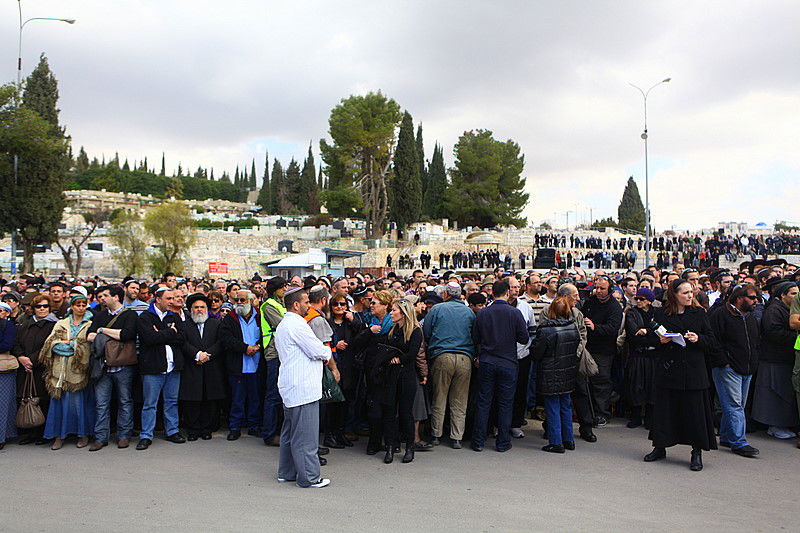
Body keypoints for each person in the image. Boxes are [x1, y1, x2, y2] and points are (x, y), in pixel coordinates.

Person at [645, 280, 718, 472]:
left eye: (691, 292)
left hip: (693, 370)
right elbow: (650, 338)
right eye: (685, 293)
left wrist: (698, 338)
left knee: (694, 412)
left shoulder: (699, 313)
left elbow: (711, 339)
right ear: (674, 295)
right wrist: (660, 339)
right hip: (669, 369)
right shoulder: (661, 313)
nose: (689, 296)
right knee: (665, 410)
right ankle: (660, 446)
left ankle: (696, 452)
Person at [275, 288, 332, 488]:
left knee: (290, 433)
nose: (309, 305)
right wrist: (327, 351)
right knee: (305, 436)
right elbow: (317, 350)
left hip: (293, 386)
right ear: (296, 305)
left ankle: (287, 472)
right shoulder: (297, 325)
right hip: (302, 388)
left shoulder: (286, 324)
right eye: (306, 302)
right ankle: (308, 477)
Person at [471, 280, 529, 452]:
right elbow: (524, 338)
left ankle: (478, 441)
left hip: (487, 361)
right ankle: (503, 442)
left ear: (492, 294)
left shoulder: (483, 313)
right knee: (505, 403)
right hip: (508, 362)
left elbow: (475, 338)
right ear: (506, 293)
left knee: (483, 402)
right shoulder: (515, 313)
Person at [709, 283, 761, 458]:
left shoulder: (750, 317)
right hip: (728, 368)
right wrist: (724, 362)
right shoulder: (720, 315)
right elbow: (714, 341)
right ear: (739, 298)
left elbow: (755, 341)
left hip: (747, 367)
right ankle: (739, 442)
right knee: (734, 405)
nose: (756, 301)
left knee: (735, 405)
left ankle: (726, 436)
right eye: (752, 298)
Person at [424, 282, 475, 449]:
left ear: (446, 294)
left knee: (439, 396)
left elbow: (427, 332)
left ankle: (436, 434)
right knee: (460, 399)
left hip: (442, 356)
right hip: (464, 358)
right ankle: (456, 437)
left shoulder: (437, 309)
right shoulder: (468, 312)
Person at [40, 294, 95, 450]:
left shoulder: (89, 323)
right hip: (59, 370)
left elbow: (88, 346)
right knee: (59, 403)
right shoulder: (61, 323)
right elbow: (51, 344)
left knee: (79, 404)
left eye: (84, 305)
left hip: (78, 371)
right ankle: (59, 435)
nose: (81, 308)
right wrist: (72, 346)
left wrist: (71, 344)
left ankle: (82, 434)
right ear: (72, 306)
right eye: (78, 304)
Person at [86, 285, 138, 451]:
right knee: (101, 403)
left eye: (105, 295)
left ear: (116, 297)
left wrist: (103, 331)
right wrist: (110, 333)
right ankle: (101, 437)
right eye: (100, 296)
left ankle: (124, 435)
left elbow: (127, 335)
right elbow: (90, 336)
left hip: (123, 365)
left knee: (125, 401)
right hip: (103, 366)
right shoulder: (100, 315)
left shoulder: (130, 314)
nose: (102, 299)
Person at [136, 287, 185, 451]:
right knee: (150, 403)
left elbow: (182, 338)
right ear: (158, 299)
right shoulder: (145, 317)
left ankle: (172, 431)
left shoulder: (174, 316)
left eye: (173, 298)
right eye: (168, 298)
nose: (172, 301)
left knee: (172, 401)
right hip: (152, 367)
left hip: (173, 367)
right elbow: (149, 339)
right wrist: (170, 332)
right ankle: (146, 435)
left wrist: (163, 334)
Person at [531, 295, 580, 453]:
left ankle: (556, 442)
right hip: (568, 371)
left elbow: (537, 353)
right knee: (565, 405)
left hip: (550, 372)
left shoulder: (545, 329)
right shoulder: (573, 326)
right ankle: (569, 439)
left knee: (552, 407)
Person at [379, 298, 423, 464]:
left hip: (406, 376)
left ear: (404, 313)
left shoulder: (415, 331)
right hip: (391, 376)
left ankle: (409, 447)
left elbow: (412, 354)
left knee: (406, 413)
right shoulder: (392, 329)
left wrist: (399, 359)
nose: (391, 312)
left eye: (394, 310)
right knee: (389, 412)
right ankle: (390, 447)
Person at [753, 281, 799, 439]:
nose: (796, 296)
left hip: (784, 358)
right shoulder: (774, 310)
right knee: (775, 393)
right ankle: (775, 425)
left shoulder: (788, 309)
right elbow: (774, 332)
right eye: (793, 293)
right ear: (782, 295)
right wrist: (796, 337)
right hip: (774, 358)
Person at [179, 293, 225, 441]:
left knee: (209, 399)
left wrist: (207, 354)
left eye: (202, 307)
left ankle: (206, 429)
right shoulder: (184, 325)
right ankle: (192, 429)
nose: (199, 310)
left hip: (211, 367)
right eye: (196, 307)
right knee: (192, 400)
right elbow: (182, 343)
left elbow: (220, 342)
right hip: (192, 366)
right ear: (191, 309)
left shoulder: (216, 324)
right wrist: (197, 354)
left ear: (207, 309)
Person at [13, 294, 57, 445]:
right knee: (24, 398)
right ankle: (27, 433)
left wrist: (31, 361)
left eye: (45, 306)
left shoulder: (53, 325)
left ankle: (42, 434)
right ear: (33, 309)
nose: (42, 309)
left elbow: (48, 346)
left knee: (41, 400)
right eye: (39, 306)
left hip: (41, 368)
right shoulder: (25, 324)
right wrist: (21, 358)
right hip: (24, 367)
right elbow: (16, 343)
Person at [220, 289, 263, 440]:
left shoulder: (260, 316)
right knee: (237, 399)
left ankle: (254, 426)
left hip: (256, 365)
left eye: (242, 300)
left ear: (250, 301)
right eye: (237, 300)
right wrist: (245, 348)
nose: (238, 303)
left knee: (255, 398)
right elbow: (226, 339)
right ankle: (235, 427)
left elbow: (267, 336)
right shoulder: (230, 318)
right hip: (237, 365)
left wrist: (258, 347)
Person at [580, 276, 623, 426]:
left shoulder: (614, 307)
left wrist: (595, 327)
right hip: (588, 347)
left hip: (604, 351)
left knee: (601, 382)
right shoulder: (590, 302)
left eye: (602, 288)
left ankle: (602, 413)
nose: (598, 291)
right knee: (586, 381)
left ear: (610, 290)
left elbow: (613, 328)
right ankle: (588, 412)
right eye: (596, 288)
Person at [624, 288, 659, 429]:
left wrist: (647, 332)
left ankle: (650, 417)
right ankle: (636, 415)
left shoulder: (656, 313)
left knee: (652, 386)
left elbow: (661, 333)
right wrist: (652, 337)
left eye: (642, 299)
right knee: (636, 385)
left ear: (649, 301)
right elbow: (633, 335)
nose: (638, 301)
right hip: (637, 354)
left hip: (653, 356)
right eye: (637, 299)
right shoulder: (632, 313)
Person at [259, 277, 288, 446]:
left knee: (280, 395)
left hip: (282, 352)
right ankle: (269, 433)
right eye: (282, 287)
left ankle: (278, 430)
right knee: (272, 395)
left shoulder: (281, 304)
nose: (285, 289)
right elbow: (283, 325)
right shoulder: (268, 305)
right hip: (273, 353)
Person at [0, 302, 18, 449]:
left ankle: (2, 436)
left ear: (7, 312)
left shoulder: (8, 326)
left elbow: (7, 344)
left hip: (4, 368)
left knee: (3, 403)